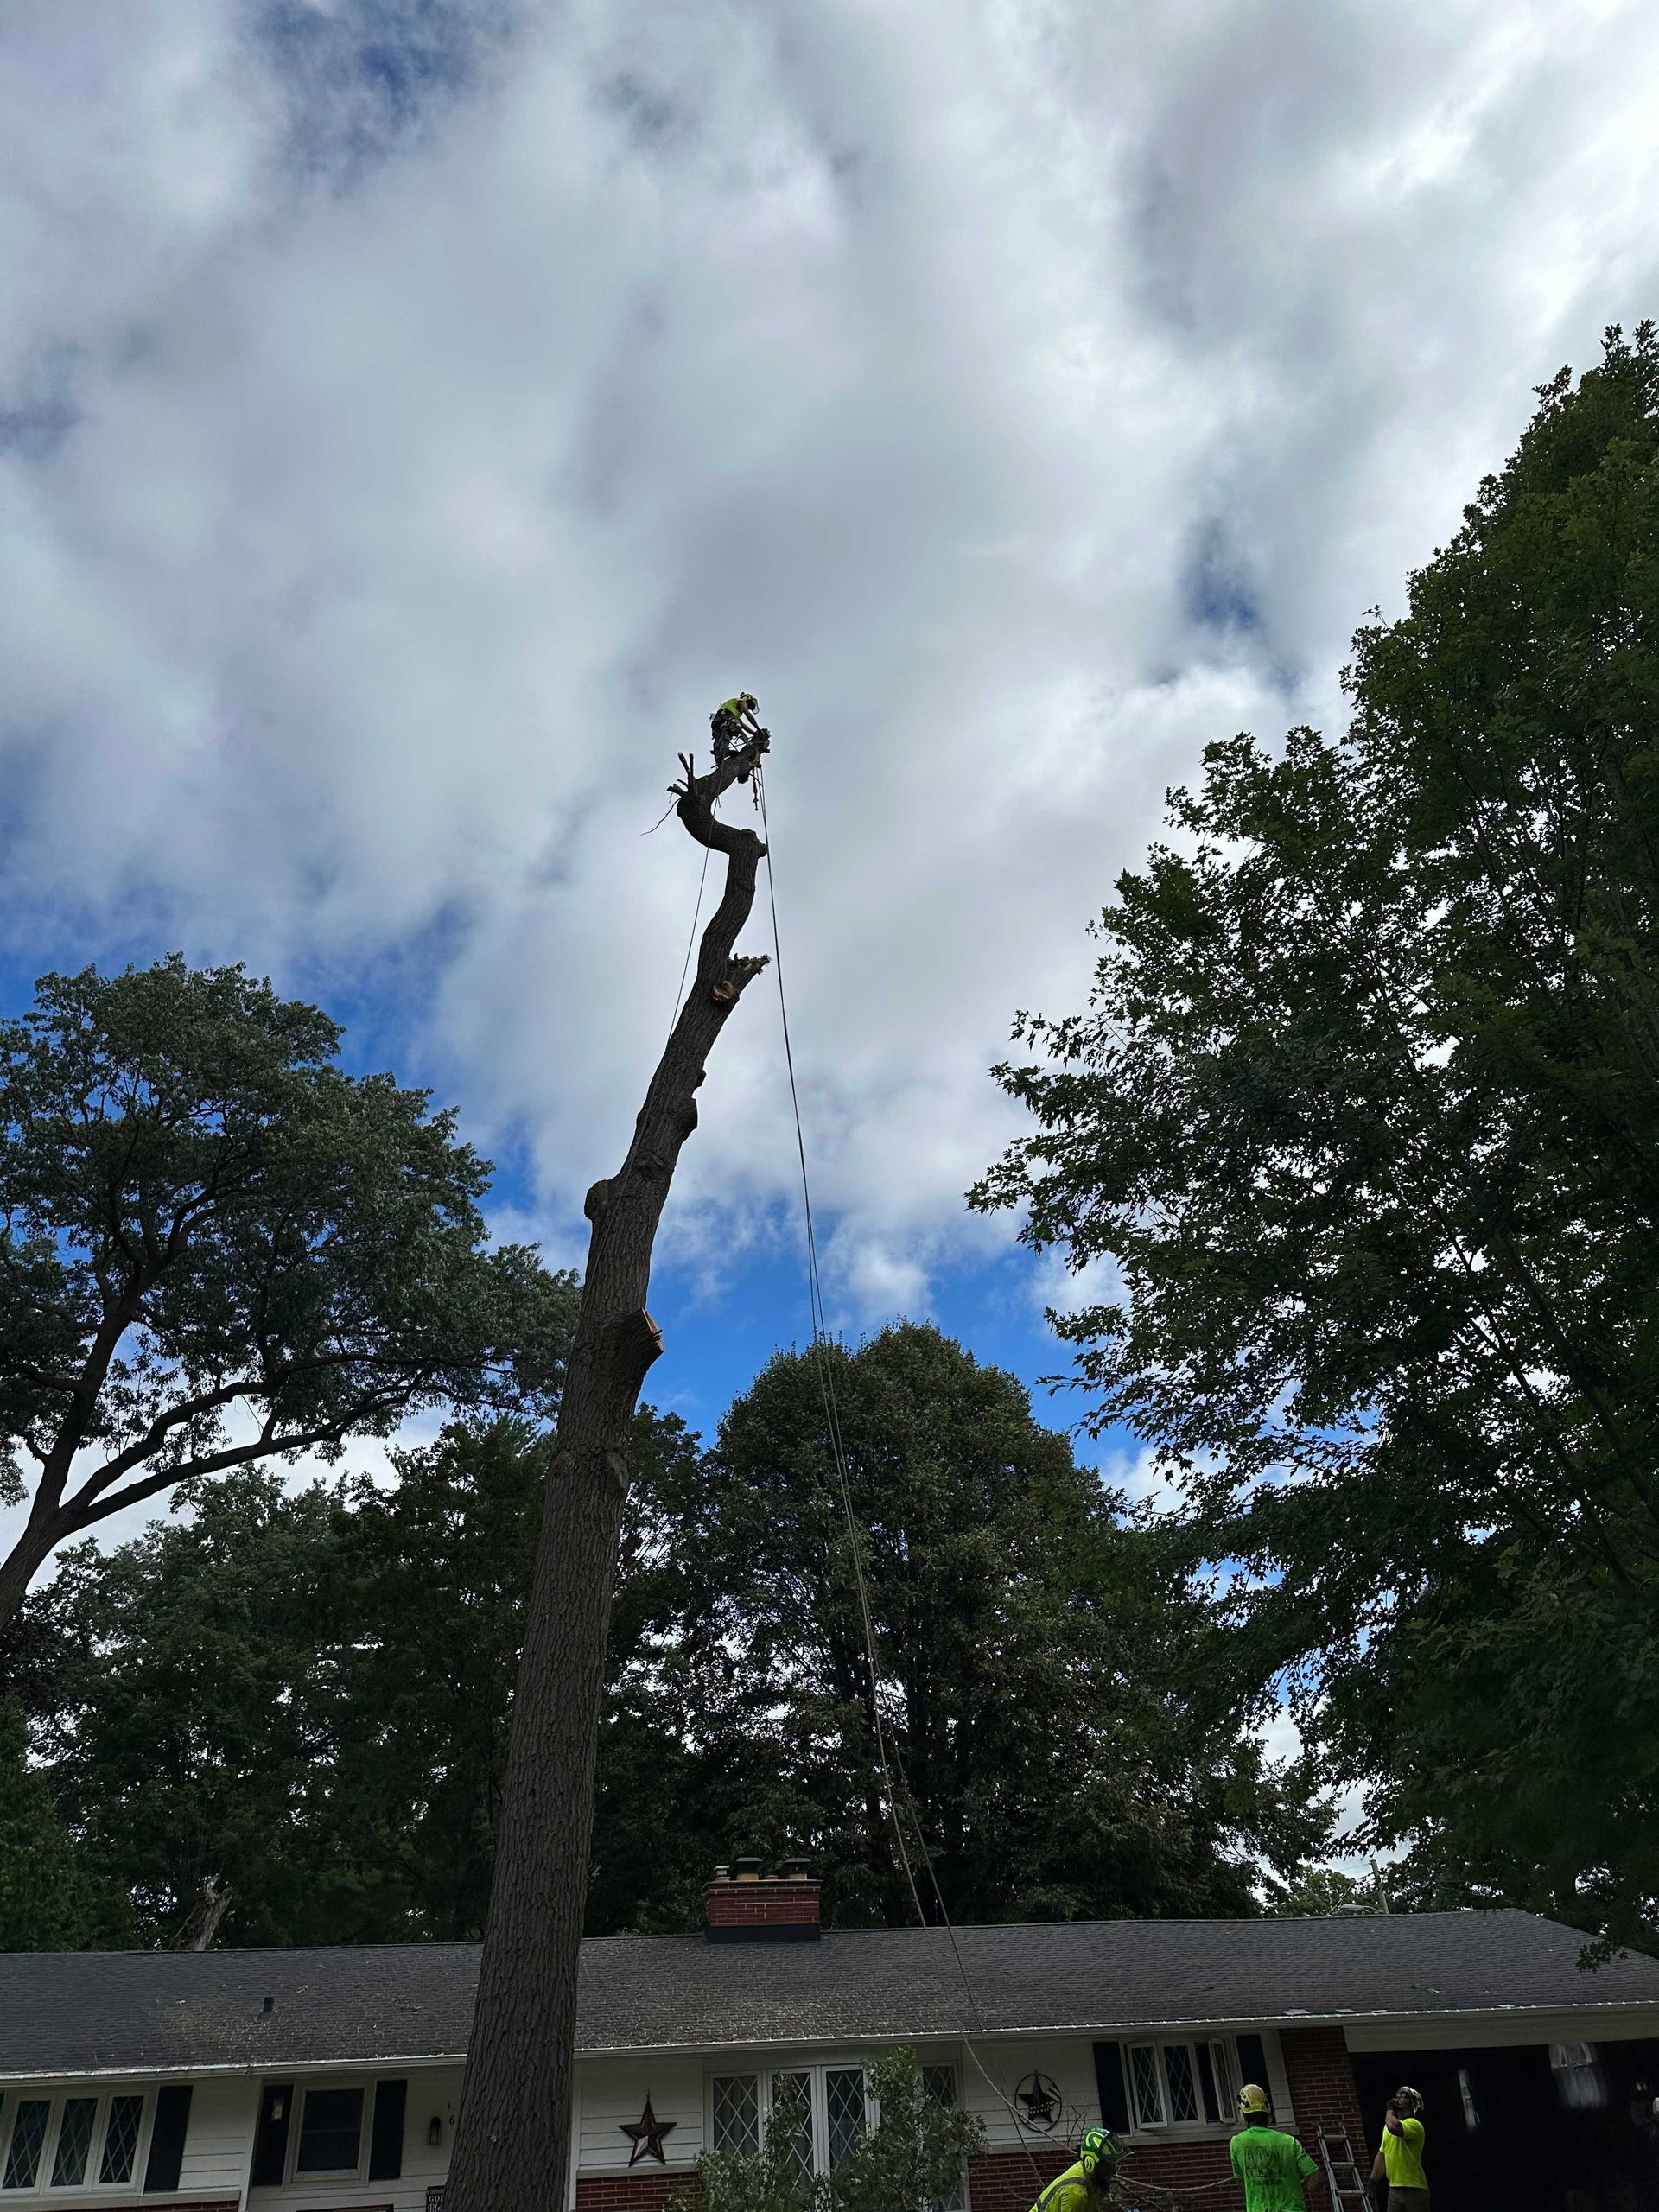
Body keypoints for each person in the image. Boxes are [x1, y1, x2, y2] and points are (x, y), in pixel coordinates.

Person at [1230, 2083, 1319, 2212]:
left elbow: (1241, 2182)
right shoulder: (1289, 2142)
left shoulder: (1237, 2143)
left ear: (1243, 2115)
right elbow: (1315, 2176)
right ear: (1268, 2115)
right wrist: (1297, 2189)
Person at [1026, 2126, 1126, 2212]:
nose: (1112, 2173)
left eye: (1114, 2167)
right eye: (1107, 2168)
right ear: (1090, 2163)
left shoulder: (1092, 2178)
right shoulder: (1076, 2193)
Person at [1370, 2086, 1427, 2212]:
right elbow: (1382, 2155)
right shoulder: (1387, 2128)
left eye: (1405, 2096)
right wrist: (1373, 2181)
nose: (1399, 2098)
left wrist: (1390, 2108)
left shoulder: (1415, 2125)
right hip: (1394, 2190)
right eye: (1399, 2096)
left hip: (1414, 2189)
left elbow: (1394, 2126)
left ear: (1413, 2104)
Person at [710, 693, 764, 765]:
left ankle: (719, 758)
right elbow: (748, 715)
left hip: (719, 721)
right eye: (748, 707)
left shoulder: (735, 712)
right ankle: (723, 751)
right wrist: (759, 729)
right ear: (747, 701)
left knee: (721, 736)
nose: (747, 708)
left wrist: (754, 733)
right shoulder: (741, 701)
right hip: (724, 719)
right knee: (734, 726)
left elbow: (743, 725)